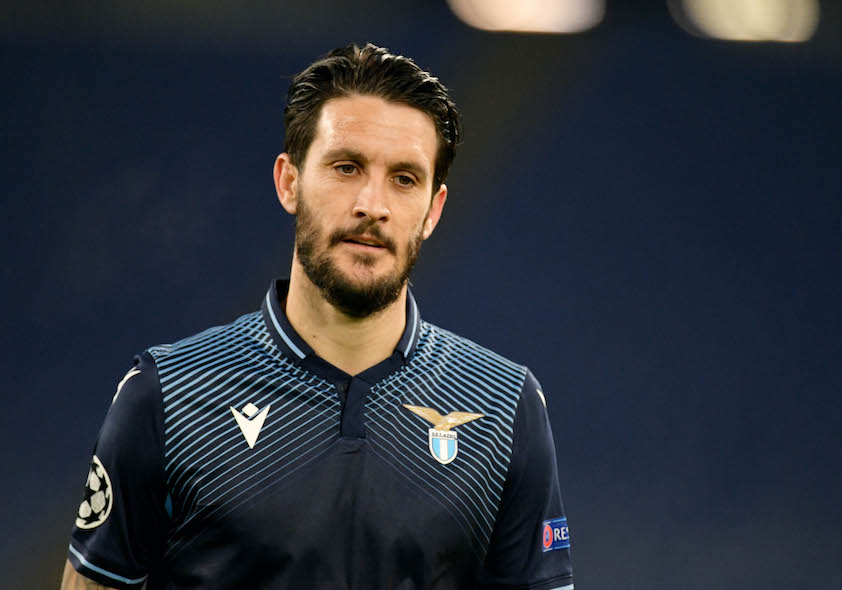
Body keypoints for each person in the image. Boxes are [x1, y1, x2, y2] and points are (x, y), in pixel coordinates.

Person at [61, 43, 574, 590]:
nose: (371, 204)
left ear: (433, 209)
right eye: (346, 167)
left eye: (404, 179)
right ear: (289, 182)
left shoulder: (503, 406)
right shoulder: (170, 394)